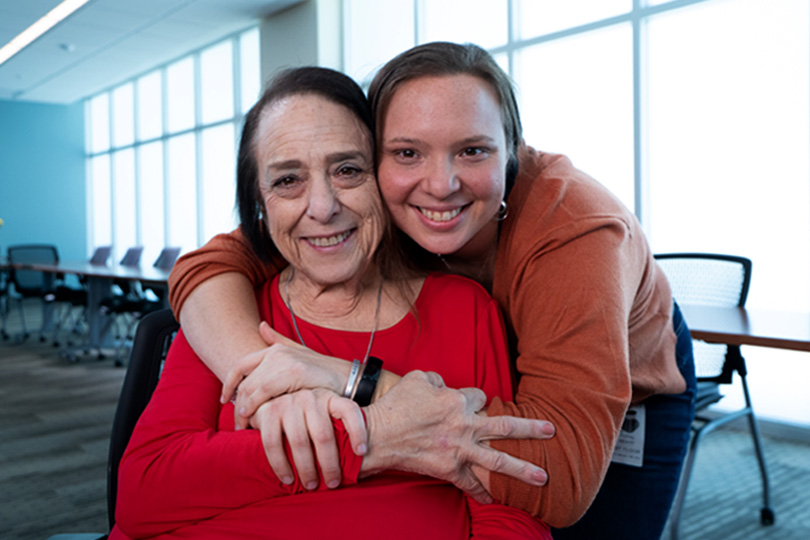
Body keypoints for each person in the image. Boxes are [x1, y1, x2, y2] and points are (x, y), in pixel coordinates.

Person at [168, 42, 697, 538]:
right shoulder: (371, 197)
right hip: (501, 361)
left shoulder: (577, 232)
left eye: (472, 151)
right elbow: (213, 263)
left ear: (511, 150)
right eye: (407, 152)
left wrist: (345, 377)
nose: (440, 184)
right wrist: (266, 382)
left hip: (626, 378)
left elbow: (560, 480)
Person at [110, 66, 551, 539]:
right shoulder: (227, 313)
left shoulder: (463, 308)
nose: (322, 207)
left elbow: (507, 510)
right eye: (287, 181)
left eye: (347, 170)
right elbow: (142, 495)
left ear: (383, 178)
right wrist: (376, 439)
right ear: (258, 202)